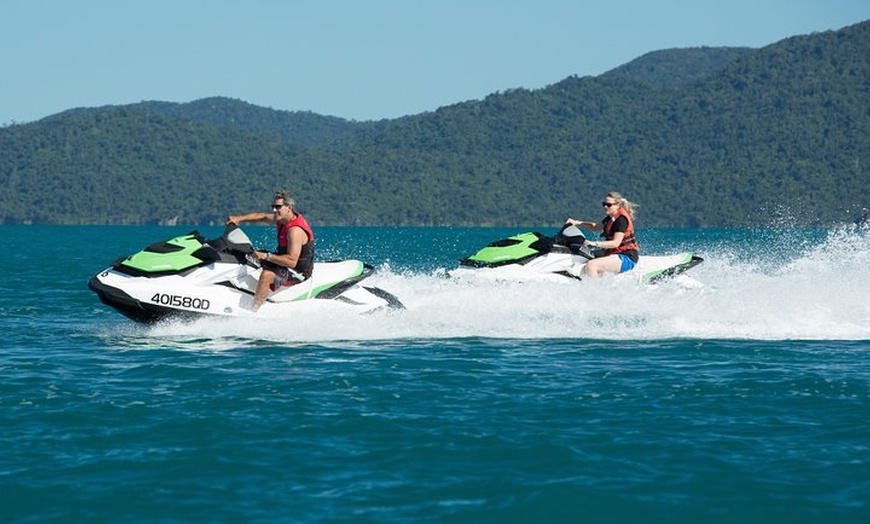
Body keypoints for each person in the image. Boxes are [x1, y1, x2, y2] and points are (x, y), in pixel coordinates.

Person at [226, 189, 315, 311]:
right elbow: (261, 217)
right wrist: (238, 219)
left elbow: (292, 261)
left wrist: (266, 256)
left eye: (278, 207)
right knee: (248, 254)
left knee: (266, 275)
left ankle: (253, 311)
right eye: (273, 206)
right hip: (283, 260)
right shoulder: (282, 219)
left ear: (289, 207)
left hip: (298, 271)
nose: (274, 210)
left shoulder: (295, 231)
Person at [565, 192, 640, 278]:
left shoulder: (621, 220)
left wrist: (595, 243)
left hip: (627, 257)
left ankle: (595, 290)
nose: (605, 207)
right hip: (614, 253)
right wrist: (576, 223)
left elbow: (616, 243)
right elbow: (595, 227)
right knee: (583, 256)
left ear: (618, 205)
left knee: (592, 265)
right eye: (604, 204)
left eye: (609, 205)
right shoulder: (610, 218)